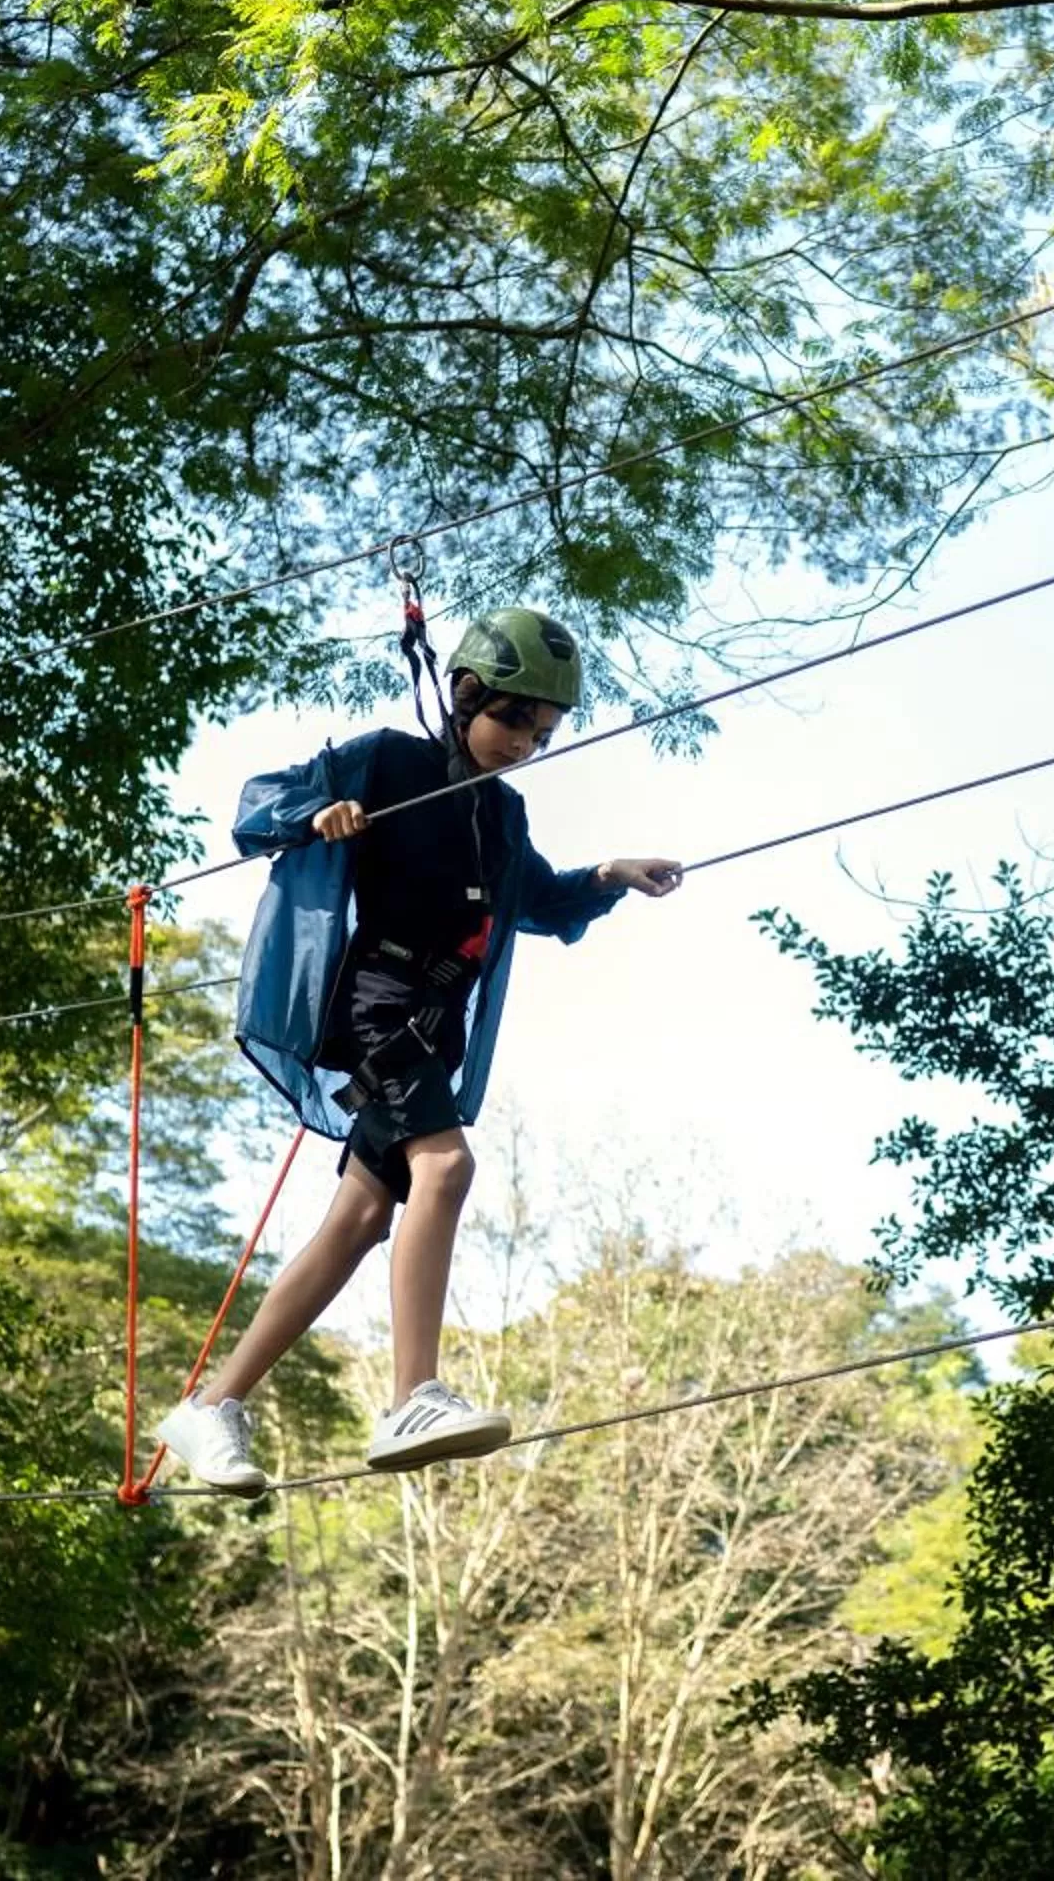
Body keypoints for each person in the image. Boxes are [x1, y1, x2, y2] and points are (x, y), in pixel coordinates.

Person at [156, 607, 680, 1491]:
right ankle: (412, 1396)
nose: (523, 743)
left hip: (430, 1027)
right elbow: (259, 806)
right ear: (466, 692)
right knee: (444, 1171)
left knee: (360, 1220)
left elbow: (539, 902)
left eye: (541, 733)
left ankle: (212, 1407)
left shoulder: (502, 816)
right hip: (375, 1003)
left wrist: (607, 879)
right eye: (513, 720)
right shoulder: (391, 760)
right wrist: (324, 811)